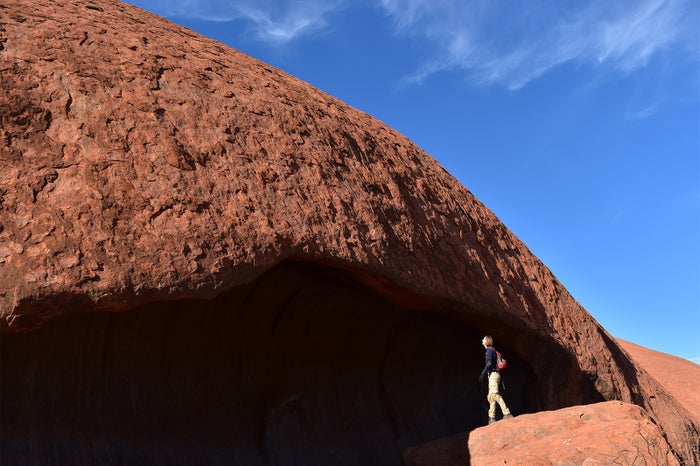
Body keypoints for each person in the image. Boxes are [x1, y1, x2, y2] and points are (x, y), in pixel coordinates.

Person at [478, 335, 513, 424]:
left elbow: (489, 363)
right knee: (491, 397)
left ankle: (507, 413)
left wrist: (483, 373)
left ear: (486, 341)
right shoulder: (491, 350)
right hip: (494, 374)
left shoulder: (489, 350)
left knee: (494, 395)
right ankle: (492, 418)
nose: (482, 340)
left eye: (483, 339)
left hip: (494, 374)